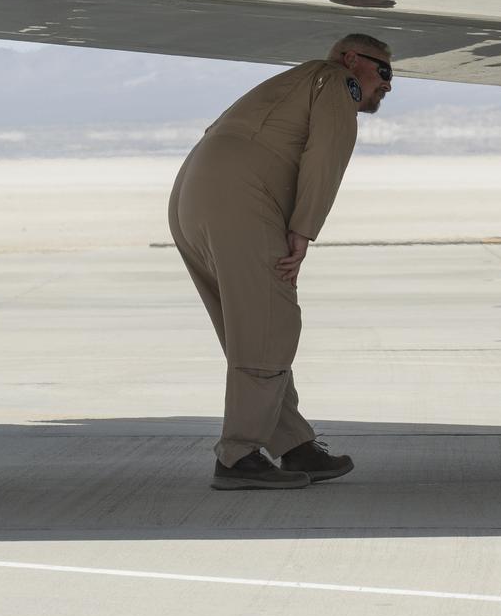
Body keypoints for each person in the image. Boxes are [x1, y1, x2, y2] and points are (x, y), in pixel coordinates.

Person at [168, 33, 393, 489]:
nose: (388, 85)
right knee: (270, 325)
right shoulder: (334, 80)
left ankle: (293, 445)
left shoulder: (293, 83)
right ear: (352, 60)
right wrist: (303, 229)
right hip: (239, 198)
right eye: (383, 72)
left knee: (250, 328)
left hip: (194, 195)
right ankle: (238, 455)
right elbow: (326, 154)